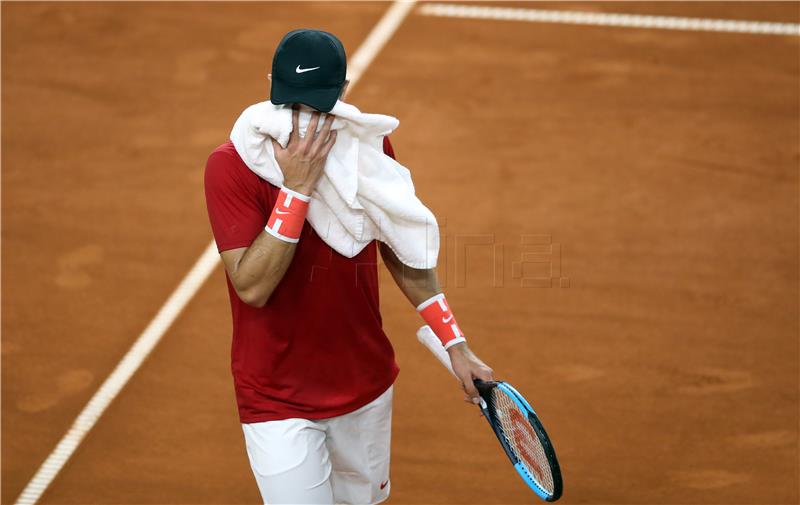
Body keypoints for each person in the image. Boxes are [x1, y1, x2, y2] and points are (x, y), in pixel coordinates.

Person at [204, 29, 493, 504]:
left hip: (364, 386)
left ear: (343, 91)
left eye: (318, 104)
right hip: (276, 398)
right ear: (269, 85)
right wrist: (296, 192)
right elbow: (252, 286)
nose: (304, 119)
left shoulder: (367, 153)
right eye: (292, 102)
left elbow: (402, 249)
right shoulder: (231, 166)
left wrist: (455, 344)